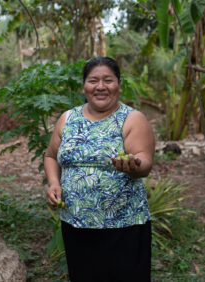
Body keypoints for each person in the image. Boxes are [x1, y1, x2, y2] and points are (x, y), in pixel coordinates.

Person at [44, 56, 155, 282]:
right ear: (84, 86)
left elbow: (145, 161)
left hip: (123, 227)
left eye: (108, 80)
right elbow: (51, 156)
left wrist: (133, 165)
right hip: (76, 224)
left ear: (119, 85)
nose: (101, 86)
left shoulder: (132, 119)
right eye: (93, 80)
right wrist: (54, 183)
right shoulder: (67, 118)